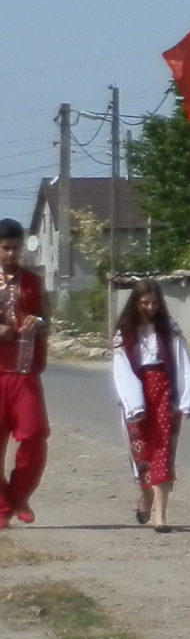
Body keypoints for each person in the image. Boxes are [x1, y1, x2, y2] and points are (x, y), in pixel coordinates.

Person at [111, 280, 190, 532]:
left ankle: (161, 517)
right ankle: (147, 493)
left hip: (164, 393)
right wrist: (133, 401)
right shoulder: (125, 334)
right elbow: (122, 370)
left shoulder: (169, 330)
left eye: (154, 303)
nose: (150, 308)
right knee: (140, 452)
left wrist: (187, 399)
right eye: (144, 303)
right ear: (135, 303)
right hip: (136, 393)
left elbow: (183, 363)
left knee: (163, 450)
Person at [0, 218, 50, 525]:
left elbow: (47, 320)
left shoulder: (33, 282)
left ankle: (19, 494)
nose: (11, 254)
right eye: (5, 248)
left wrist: (38, 323)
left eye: (15, 249)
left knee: (34, 434)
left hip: (24, 370)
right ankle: (2, 506)